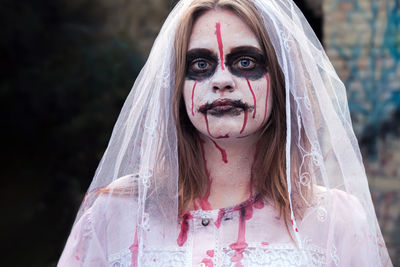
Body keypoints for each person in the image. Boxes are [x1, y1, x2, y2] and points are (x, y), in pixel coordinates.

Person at [58, 0, 393, 266]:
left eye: (245, 62)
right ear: (176, 86)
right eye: (200, 65)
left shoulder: (335, 218)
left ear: (281, 80)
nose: (220, 80)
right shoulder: (114, 211)